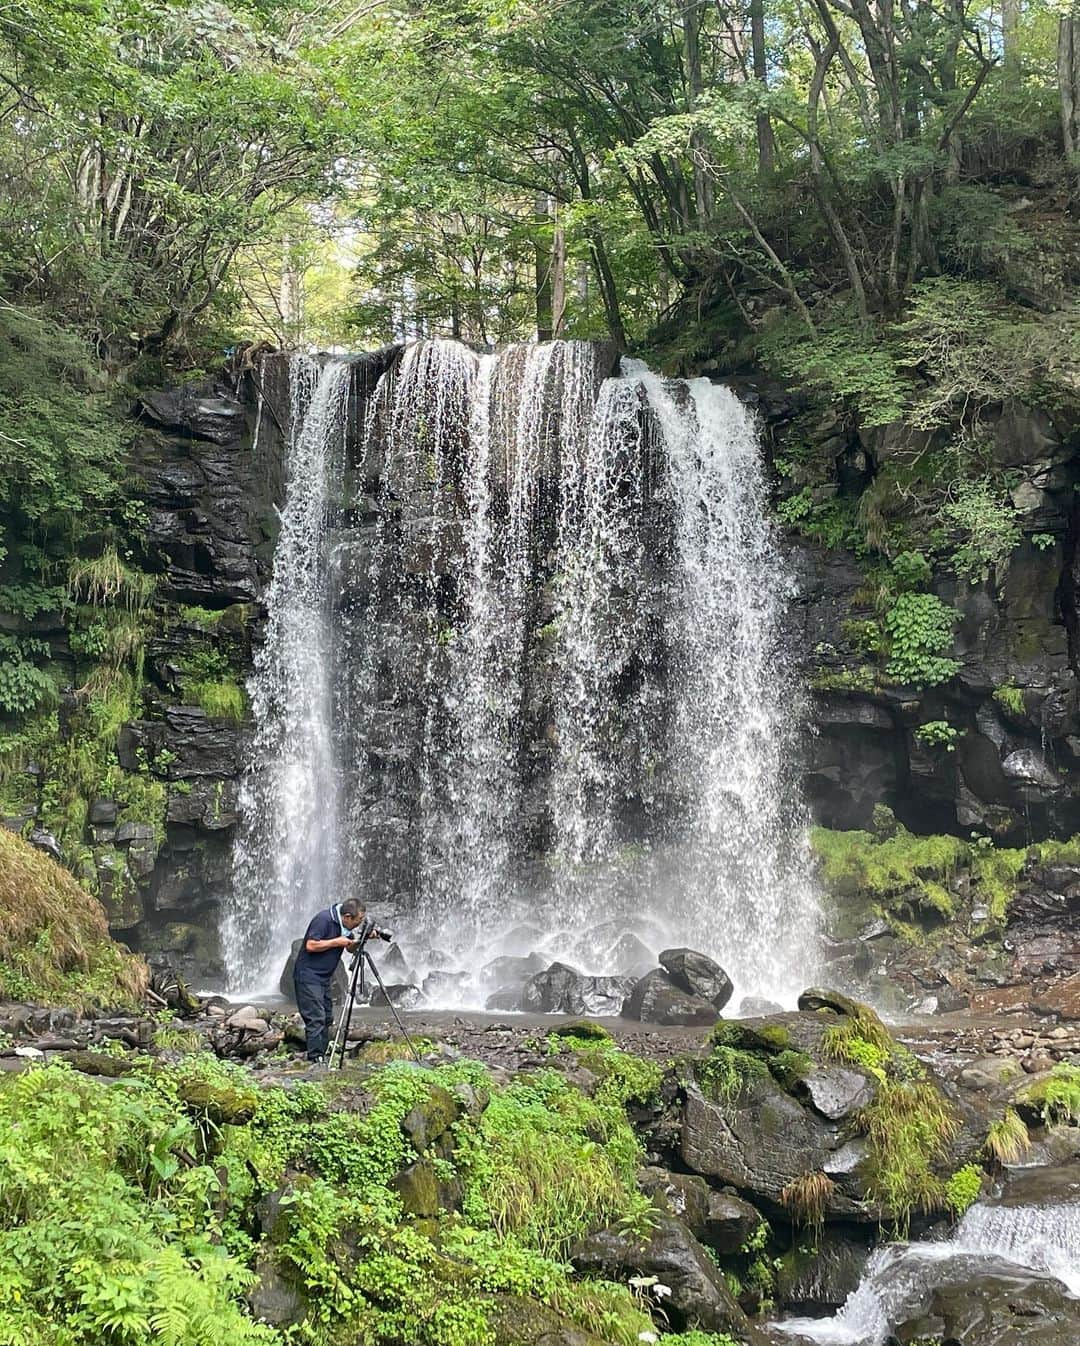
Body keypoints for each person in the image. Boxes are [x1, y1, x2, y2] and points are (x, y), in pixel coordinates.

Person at [293, 898, 368, 1064]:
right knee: (316, 1017)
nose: (359, 923)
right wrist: (336, 942)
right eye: (359, 920)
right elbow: (311, 945)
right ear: (347, 916)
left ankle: (324, 1052)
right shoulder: (324, 919)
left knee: (327, 1017)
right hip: (308, 976)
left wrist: (363, 939)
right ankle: (316, 1059)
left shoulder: (344, 925)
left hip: (324, 977)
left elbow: (349, 948)